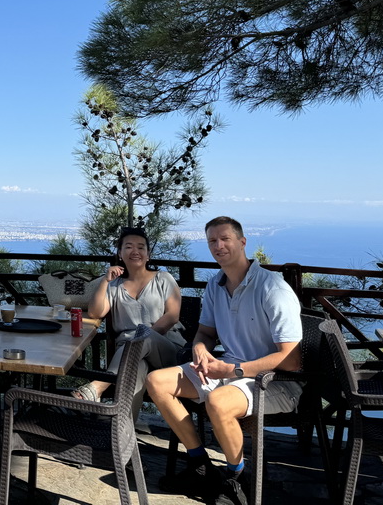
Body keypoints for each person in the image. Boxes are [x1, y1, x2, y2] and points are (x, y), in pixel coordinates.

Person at [146, 216, 302, 505]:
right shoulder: (215, 284)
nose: (218, 245)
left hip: (276, 382)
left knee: (218, 401)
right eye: (212, 241)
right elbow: (205, 332)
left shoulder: (273, 289)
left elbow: (290, 360)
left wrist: (232, 370)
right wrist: (201, 349)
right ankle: (201, 466)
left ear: (242, 242)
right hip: (228, 369)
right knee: (157, 381)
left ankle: (237, 478)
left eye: (225, 238)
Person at [72, 226, 184, 418]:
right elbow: (95, 311)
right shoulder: (114, 286)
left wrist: (142, 338)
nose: (135, 251)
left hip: (166, 350)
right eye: (129, 247)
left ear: (148, 254)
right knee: (136, 370)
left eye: (141, 247)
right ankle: (123, 437)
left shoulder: (163, 279)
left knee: (144, 337)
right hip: (130, 357)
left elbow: (172, 316)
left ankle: (98, 386)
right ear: (120, 253)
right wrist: (105, 282)